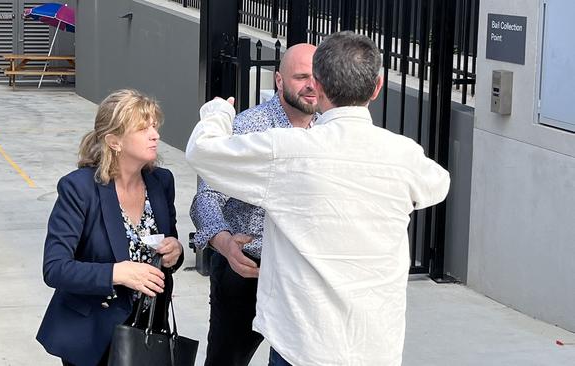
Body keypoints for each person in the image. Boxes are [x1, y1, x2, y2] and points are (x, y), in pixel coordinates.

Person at [185, 31, 450, 366]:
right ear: (378, 87)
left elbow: (203, 152)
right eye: (300, 76)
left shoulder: (287, 149)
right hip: (362, 335)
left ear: (321, 84)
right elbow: (437, 184)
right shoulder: (402, 154)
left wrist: (216, 113)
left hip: (304, 337)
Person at [189, 43, 318, 366]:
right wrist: (223, 243)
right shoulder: (249, 128)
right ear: (278, 80)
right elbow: (206, 197)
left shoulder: (330, 131)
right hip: (248, 268)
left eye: (317, 76)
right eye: (301, 76)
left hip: (304, 276)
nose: (311, 85)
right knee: (226, 361)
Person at [36, 89, 184, 366]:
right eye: (143, 128)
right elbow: (54, 268)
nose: (155, 135)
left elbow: (167, 244)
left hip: (146, 329)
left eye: (154, 125)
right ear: (114, 141)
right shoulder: (79, 189)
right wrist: (117, 272)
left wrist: (174, 251)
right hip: (93, 334)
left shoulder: (161, 182)